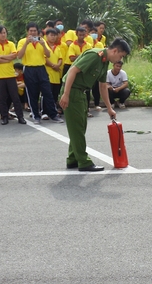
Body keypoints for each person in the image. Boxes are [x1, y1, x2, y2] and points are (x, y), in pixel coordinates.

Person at [59, 38, 131, 172]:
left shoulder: (104, 63)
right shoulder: (94, 56)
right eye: (121, 56)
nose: (119, 60)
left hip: (80, 93)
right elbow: (73, 71)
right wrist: (66, 94)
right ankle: (83, 161)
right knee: (77, 128)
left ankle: (73, 158)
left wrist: (109, 108)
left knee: (80, 127)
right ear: (115, 50)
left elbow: (103, 86)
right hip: (73, 92)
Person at [17, 22, 64, 124]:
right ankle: (36, 116)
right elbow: (19, 56)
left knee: (48, 92)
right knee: (32, 93)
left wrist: (43, 45)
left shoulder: (42, 41)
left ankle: (53, 115)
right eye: (31, 31)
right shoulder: (22, 41)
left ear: (38, 32)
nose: (33, 33)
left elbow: (47, 54)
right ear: (27, 32)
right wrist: (26, 43)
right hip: (29, 69)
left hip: (41, 68)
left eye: (35, 31)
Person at [0, 25, 26, 125]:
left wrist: (1, 57)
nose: (3, 34)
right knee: (2, 98)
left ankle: (20, 117)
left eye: (5, 32)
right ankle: (4, 117)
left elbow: (14, 56)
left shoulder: (10, 44)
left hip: (10, 75)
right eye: (1, 33)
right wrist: (7, 58)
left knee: (15, 97)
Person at [44, 28, 64, 118]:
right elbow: (44, 59)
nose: (53, 37)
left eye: (55, 35)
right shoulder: (44, 47)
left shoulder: (58, 48)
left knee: (55, 93)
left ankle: (53, 111)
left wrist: (58, 65)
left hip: (56, 74)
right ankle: (44, 111)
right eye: (51, 35)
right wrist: (53, 66)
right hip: (47, 73)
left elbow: (60, 59)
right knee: (47, 93)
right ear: (46, 36)